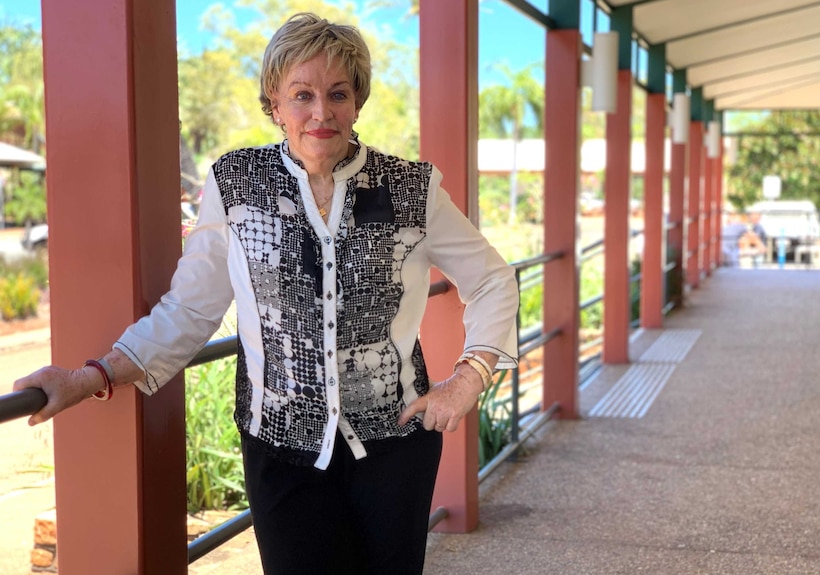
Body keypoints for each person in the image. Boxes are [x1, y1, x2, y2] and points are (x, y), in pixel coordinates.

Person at [13, 12, 519, 575]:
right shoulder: (235, 185)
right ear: (274, 105)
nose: (321, 112)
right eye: (301, 94)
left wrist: (468, 379)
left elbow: (495, 278)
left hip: (394, 446)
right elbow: (190, 308)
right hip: (281, 451)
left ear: (358, 102)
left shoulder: (410, 188)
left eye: (338, 93)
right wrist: (89, 378)